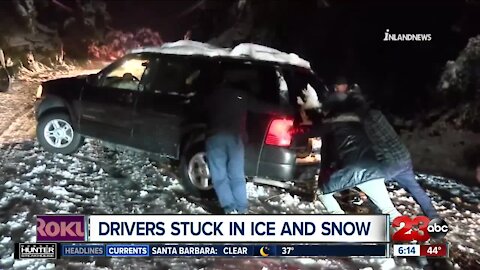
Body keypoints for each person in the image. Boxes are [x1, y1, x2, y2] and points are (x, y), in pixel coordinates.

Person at [204, 69, 286, 214]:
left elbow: (199, 109)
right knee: (237, 175)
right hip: (235, 139)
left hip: (215, 137)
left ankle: (229, 208)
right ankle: (242, 209)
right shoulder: (241, 96)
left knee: (219, 175)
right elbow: (263, 107)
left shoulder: (212, 94)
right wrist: (288, 111)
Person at [363, 108, 439, 219]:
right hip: (404, 157)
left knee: (372, 187)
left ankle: (379, 225)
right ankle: (436, 222)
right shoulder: (377, 115)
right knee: (416, 189)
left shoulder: (364, 122)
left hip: (390, 162)